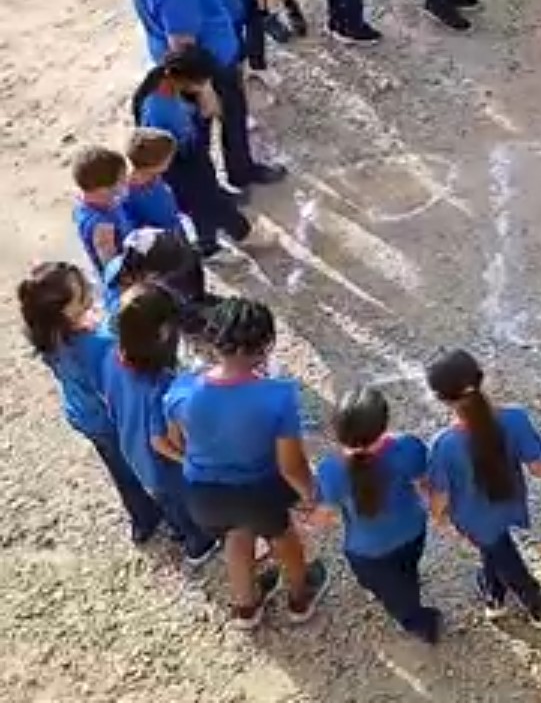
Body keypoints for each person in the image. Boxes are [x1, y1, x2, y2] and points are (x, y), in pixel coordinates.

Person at [165, 298, 329, 629]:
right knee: (283, 538)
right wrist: (311, 495)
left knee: (235, 538)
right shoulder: (278, 395)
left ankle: (246, 607)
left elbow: (177, 441)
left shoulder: (181, 390)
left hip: (204, 494)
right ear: (266, 346)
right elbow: (290, 465)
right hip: (259, 491)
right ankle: (300, 596)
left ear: (214, 341)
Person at [123, 0, 285, 192]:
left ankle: (236, 173)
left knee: (222, 122)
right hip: (206, 71)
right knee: (208, 129)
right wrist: (204, 89)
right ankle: (224, 186)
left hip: (211, 62)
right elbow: (183, 46)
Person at [18, 262, 165, 544]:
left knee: (117, 467)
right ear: (63, 312)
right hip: (109, 418)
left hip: (81, 414)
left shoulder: (44, 335)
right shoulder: (98, 344)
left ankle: (141, 518)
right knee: (135, 461)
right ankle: (165, 511)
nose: (88, 291)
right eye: (81, 294)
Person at [425, 347, 541, 625]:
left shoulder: (443, 444)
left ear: (441, 399)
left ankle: (534, 601)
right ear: (480, 378)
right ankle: (493, 592)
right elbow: (536, 465)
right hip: (508, 499)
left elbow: (441, 493)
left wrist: (437, 517)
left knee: (499, 549)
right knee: (494, 546)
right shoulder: (515, 418)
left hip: (474, 516)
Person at [102, 285, 220, 567]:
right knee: (184, 505)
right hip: (164, 467)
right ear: (164, 333)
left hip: (133, 452)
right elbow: (159, 441)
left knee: (168, 503)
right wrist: (189, 459)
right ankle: (198, 546)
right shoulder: (159, 385)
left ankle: (180, 531)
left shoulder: (112, 359)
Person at [313, 386, 442, 643]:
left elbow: (324, 516)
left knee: (393, 592)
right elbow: (425, 486)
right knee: (407, 569)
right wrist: (438, 513)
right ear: (384, 423)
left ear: (337, 431)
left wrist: (310, 522)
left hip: (367, 550)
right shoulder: (408, 447)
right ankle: (410, 600)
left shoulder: (331, 469)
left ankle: (414, 620)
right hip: (412, 530)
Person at [134, 47, 254, 258]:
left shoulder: (167, 81)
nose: (201, 86)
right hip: (178, 162)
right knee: (211, 203)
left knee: (203, 203)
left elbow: (205, 114)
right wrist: (204, 117)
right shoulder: (158, 110)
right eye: (199, 82)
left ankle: (208, 245)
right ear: (179, 78)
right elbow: (176, 146)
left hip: (188, 152)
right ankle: (244, 234)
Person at [71, 146, 131, 276]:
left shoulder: (85, 199)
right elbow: (112, 265)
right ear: (103, 189)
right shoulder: (102, 226)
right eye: (122, 179)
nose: (126, 180)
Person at [121, 129, 183, 236]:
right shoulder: (128, 193)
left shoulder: (155, 177)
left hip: (174, 233)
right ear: (156, 163)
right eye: (168, 158)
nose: (171, 161)